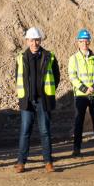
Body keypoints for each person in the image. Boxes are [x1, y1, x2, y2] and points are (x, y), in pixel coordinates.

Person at [14, 27, 60, 173]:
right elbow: (18, 78)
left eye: (37, 40)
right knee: (25, 131)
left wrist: (48, 92)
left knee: (45, 131)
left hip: (43, 100)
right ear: (27, 41)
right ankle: (21, 162)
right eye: (32, 40)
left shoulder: (49, 56)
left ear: (40, 40)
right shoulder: (21, 58)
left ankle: (48, 162)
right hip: (27, 101)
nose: (34, 43)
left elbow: (56, 77)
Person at [67, 29, 94, 157]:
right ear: (78, 43)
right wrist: (85, 89)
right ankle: (76, 149)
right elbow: (72, 77)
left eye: (86, 41)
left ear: (89, 42)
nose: (84, 43)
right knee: (78, 121)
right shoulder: (74, 59)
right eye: (82, 41)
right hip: (81, 95)